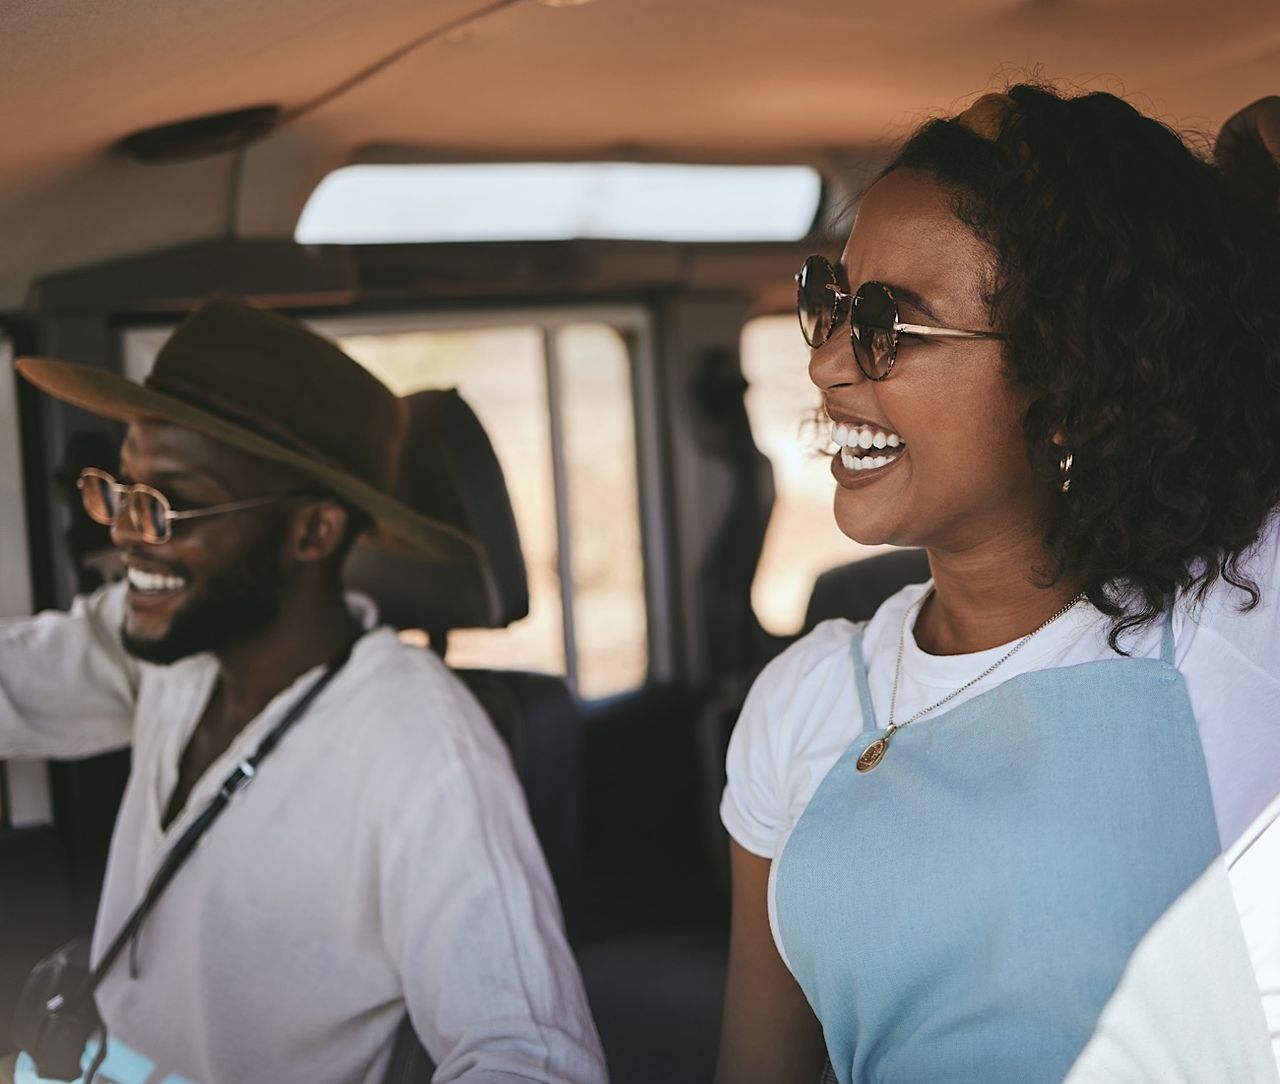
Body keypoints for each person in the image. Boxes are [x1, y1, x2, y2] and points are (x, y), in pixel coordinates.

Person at [716, 84, 1280, 1084]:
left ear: (1067, 384)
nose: (831, 365)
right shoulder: (798, 702)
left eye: (892, 321)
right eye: (830, 301)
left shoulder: (1230, 623)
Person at [1, 299, 607, 1084]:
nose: (124, 532)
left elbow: (533, 1062)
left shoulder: (422, 749)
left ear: (313, 533)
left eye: (170, 504)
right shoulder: (172, 646)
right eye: (120, 490)